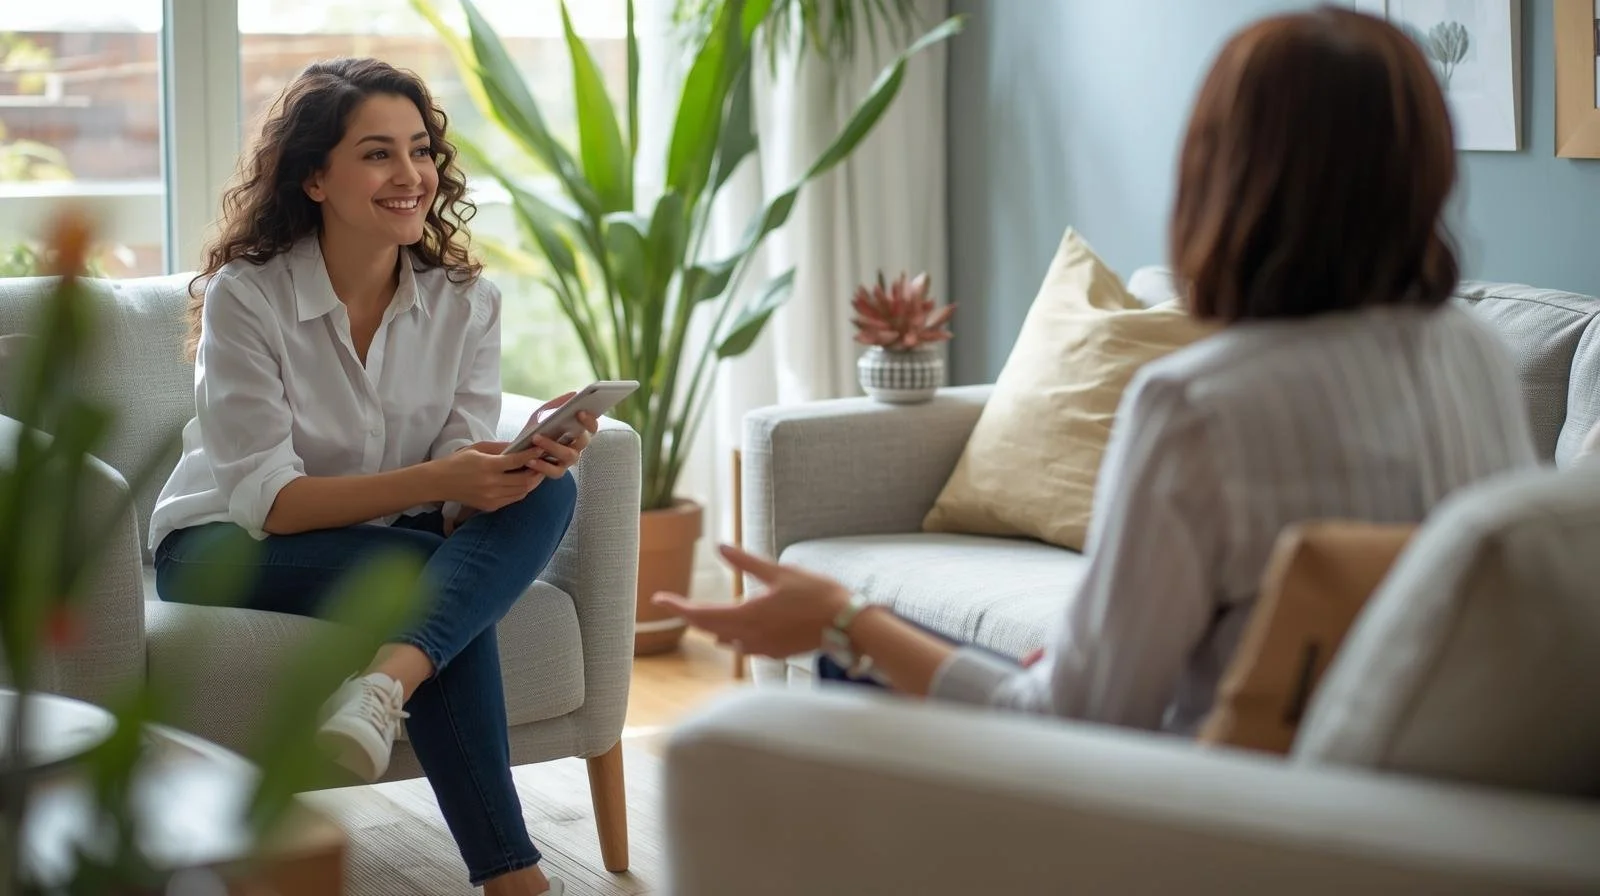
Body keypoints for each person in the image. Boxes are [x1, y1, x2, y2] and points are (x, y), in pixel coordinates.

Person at [654, 8, 1540, 736]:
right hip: (1394, 799)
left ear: (1222, 174)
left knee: (855, 681)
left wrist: (843, 620)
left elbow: (1073, 721)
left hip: (1210, 823)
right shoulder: (1474, 357)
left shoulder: (1197, 406)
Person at [148, 58, 584, 896]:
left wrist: (515, 468)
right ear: (315, 176)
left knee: (552, 491)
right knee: (425, 576)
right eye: (378, 154)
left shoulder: (465, 300)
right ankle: (514, 877)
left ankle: (385, 685)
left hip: (387, 538)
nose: (411, 175)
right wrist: (442, 479)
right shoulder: (249, 298)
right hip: (221, 545)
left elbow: (454, 501)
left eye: (421, 151)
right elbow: (272, 506)